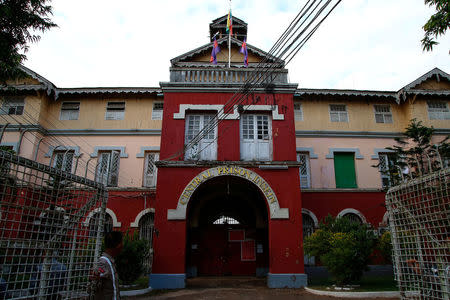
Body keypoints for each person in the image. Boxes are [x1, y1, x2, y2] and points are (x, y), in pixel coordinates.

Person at [90, 231, 123, 300]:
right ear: (118, 245)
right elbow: (94, 283)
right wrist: (96, 276)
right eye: (121, 242)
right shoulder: (104, 262)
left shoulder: (110, 262)